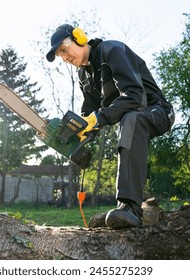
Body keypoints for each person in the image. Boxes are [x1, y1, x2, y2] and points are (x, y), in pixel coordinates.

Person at [46, 24, 174, 229]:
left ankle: (131, 208)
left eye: (64, 49)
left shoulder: (112, 51)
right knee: (129, 120)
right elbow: (89, 115)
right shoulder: (83, 75)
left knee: (132, 119)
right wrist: (73, 135)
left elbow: (134, 97)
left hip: (157, 110)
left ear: (79, 37)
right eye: (60, 55)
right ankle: (122, 211)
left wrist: (99, 118)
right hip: (132, 115)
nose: (64, 57)